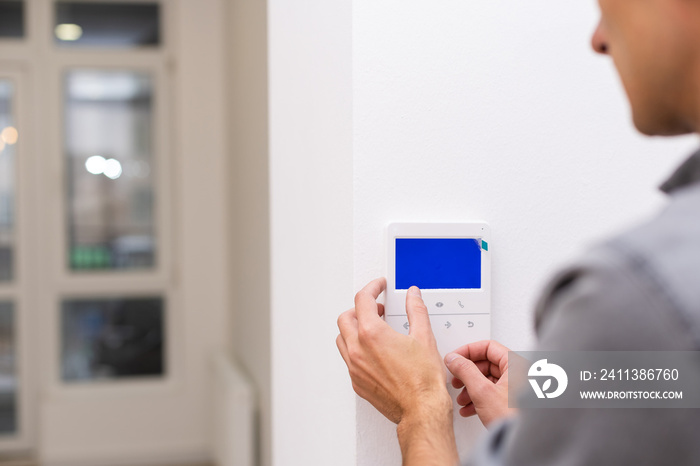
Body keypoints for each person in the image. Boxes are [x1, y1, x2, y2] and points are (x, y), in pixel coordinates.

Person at [336, 0, 700, 464]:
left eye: (610, 10)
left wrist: (420, 405)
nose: (598, 39)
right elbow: (681, 381)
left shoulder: (634, 292)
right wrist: (554, 389)